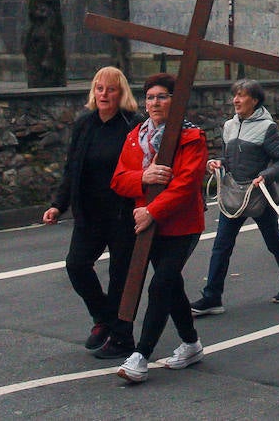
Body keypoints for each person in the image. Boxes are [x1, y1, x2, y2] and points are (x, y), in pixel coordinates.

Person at [110, 74, 209, 383]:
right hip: (147, 224)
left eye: (162, 96)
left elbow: (185, 184)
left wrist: (152, 210)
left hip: (180, 225)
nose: (154, 103)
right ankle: (191, 344)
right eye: (150, 97)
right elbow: (118, 179)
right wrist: (144, 177)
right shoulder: (134, 136)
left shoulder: (192, 137)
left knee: (159, 285)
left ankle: (141, 354)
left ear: (175, 100)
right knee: (171, 285)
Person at [42, 66, 140, 359]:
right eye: (99, 88)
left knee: (120, 276)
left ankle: (122, 336)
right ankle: (103, 318)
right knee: (76, 265)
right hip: (90, 212)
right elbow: (72, 167)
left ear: (121, 93)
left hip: (122, 214)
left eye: (110, 89)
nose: (104, 94)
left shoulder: (132, 124)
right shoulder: (85, 124)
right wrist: (58, 204)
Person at [190, 79, 279, 315]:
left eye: (241, 96)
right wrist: (218, 164)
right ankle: (212, 297)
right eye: (235, 95)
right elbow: (228, 158)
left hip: (259, 196)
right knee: (221, 246)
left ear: (254, 100)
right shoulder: (229, 126)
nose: (236, 100)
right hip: (234, 195)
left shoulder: (267, 127)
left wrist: (265, 175)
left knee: (273, 240)